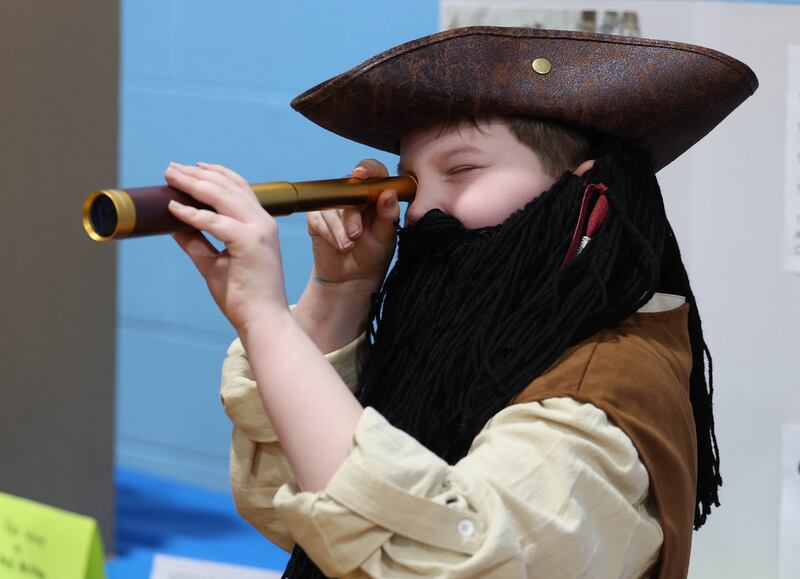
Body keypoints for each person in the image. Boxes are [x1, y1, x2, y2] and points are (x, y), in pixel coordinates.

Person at [164, 27, 757, 578]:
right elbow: (296, 513)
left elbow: (442, 556)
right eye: (413, 183)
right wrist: (338, 294)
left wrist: (265, 320)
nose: (423, 213)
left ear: (587, 193)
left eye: (463, 169)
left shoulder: (594, 397)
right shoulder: (496, 345)